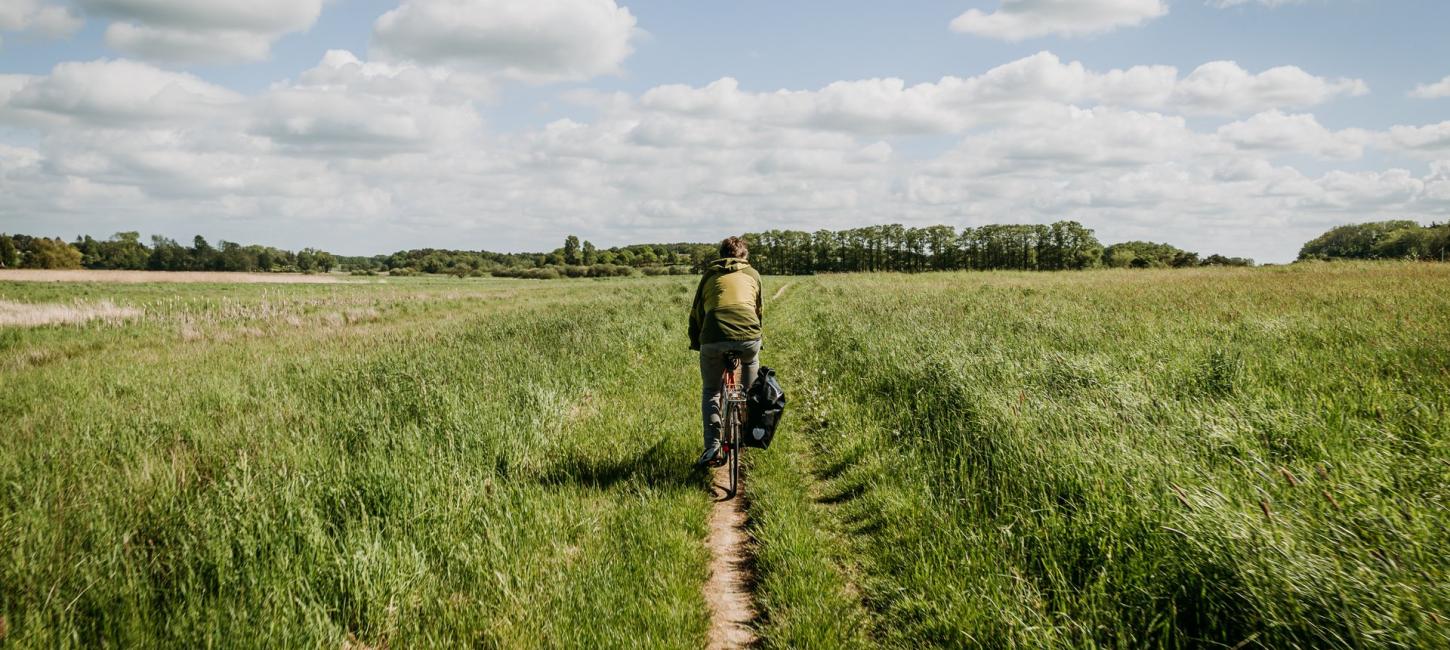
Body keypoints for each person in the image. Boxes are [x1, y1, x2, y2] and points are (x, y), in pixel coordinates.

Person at [688, 236, 763, 468]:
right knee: (751, 382)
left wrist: (696, 341)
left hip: (713, 335)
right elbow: (758, 310)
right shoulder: (752, 274)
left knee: (712, 391)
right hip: (749, 335)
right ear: (744, 256)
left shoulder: (709, 275)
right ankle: (749, 428)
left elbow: (697, 312)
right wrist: (757, 339)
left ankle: (713, 447)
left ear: (721, 255)